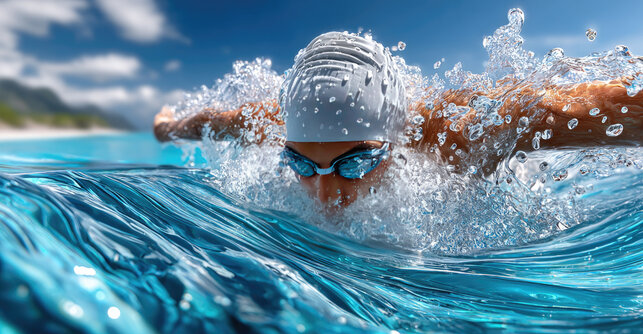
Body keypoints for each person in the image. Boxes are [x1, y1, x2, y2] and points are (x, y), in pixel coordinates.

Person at [154, 32, 642, 207]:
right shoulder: (273, 123)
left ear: (395, 140)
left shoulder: (458, 132)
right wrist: (169, 126)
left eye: (354, 165)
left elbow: (607, 109)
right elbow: (217, 120)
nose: (326, 197)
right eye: (302, 166)